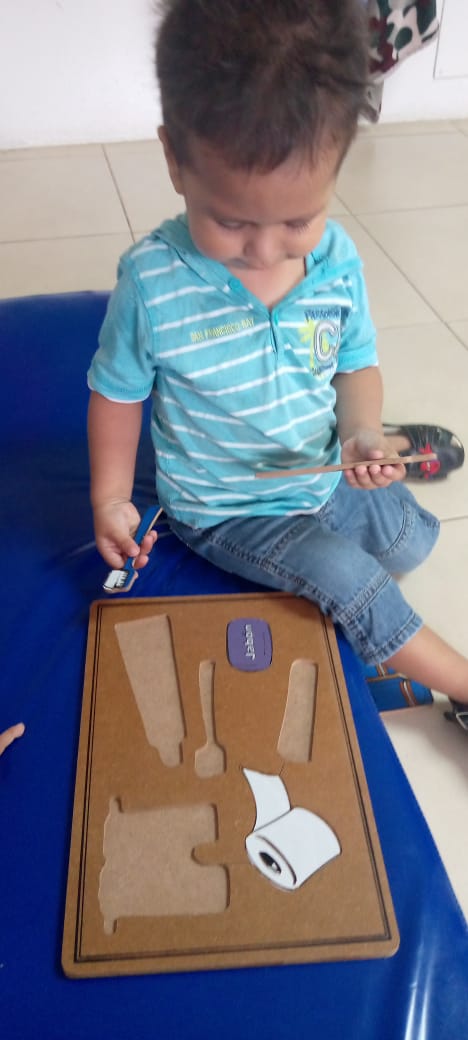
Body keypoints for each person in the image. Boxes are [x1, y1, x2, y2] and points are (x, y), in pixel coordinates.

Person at [87, 0, 468, 716]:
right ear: (175, 160)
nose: (263, 251)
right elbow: (117, 393)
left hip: (323, 465)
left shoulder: (336, 260)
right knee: (353, 582)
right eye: (230, 220)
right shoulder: (152, 284)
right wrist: (110, 498)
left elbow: (354, 363)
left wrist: (360, 430)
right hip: (230, 509)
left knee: (411, 544)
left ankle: (386, 437)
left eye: (297, 220)